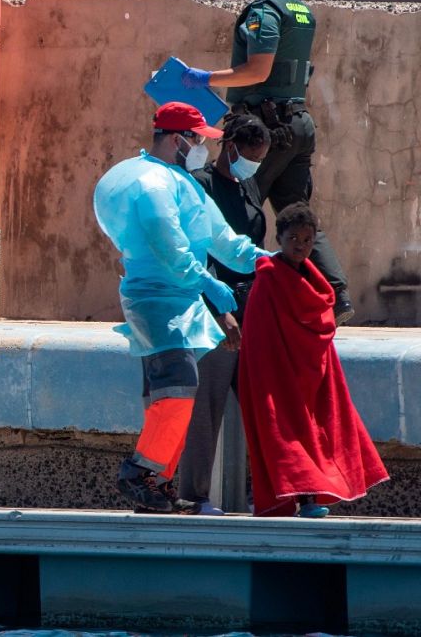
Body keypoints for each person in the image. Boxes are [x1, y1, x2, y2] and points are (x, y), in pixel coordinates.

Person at [92, 102, 270, 513]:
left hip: (182, 304)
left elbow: (225, 242)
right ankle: (141, 472)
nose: (202, 148)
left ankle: (158, 484)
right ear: (178, 140)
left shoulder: (184, 184)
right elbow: (170, 249)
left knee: (177, 393)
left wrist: (266, 261)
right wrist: (211, 282)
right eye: (197, 140)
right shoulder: (153, 186)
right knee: (176, 387)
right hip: (155, 304)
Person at [179, 0, 351, 323]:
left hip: (266, 129)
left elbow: (258, 69)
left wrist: (205, 78)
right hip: (298, 124)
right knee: (296, 210)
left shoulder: (264, 10)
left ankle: (245, 297)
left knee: (241, 207)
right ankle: (336, 292)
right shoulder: (302, 10)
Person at [238, 204, 388, 518]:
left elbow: (320, 326)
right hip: (277, 376)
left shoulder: (317, 282)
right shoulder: (267, 280)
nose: (300, 245)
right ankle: (295, 498)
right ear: (279, 238)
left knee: (315, 432)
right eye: (293, 238)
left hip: (310, 375)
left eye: (307, 239)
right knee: (286, 435)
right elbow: (259, 337)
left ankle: (309, 500)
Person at [176, 113, 271, 515]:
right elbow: (201, 253)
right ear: (229, 147)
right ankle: (193, 495)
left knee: (262, 408)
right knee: (206, 407)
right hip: (216, 311)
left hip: (253, 308)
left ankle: (265, 493)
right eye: (249, 155)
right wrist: (219, 311)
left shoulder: (248, 186)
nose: (253, 164)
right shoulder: (202, 187)